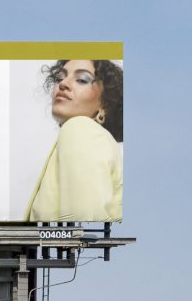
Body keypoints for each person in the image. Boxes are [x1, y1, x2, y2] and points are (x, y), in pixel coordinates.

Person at [25, 59, 123, 222]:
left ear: (106, 102)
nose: (63, 83)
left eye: (82, 80)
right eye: (59, 78)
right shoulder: (94, 137)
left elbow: (83, 224)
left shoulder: (80, 128)